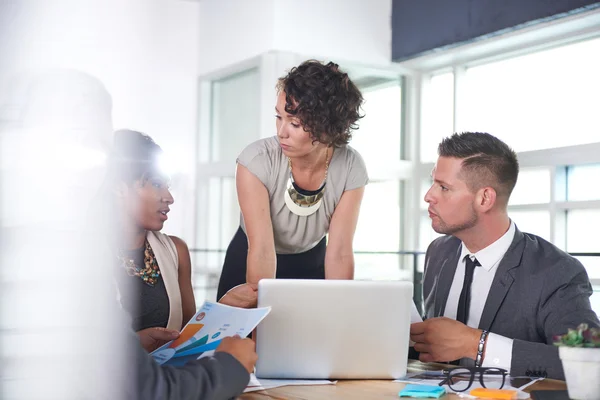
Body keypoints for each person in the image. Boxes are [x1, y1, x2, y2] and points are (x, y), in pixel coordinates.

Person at [410, 132, 600, 380]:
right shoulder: (439, 251)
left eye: (444, 187)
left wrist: (476, 344)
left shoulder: (557, 271)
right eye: (433, 182)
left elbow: (588, 361)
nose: (429, 195)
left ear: (485, 198)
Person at [216, 60, 368, 307]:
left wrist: (342, 315)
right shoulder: (255, 161)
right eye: (279, 117)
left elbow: (339, 252)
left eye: (295, 123)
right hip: (252, 256)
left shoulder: (351, 167)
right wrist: (258, 327)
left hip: (312, 260)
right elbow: (262, 250)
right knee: (247, 341)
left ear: (328, 128)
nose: (281, 132)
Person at [107, 129, 196, 352]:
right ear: (119, 188)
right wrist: (134, 345)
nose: (169, 197)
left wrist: (225, 307)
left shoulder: (176, 252)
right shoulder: (84, 254)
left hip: (165, 382)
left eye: (168, 185)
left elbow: (188, 341)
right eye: (156, 184)